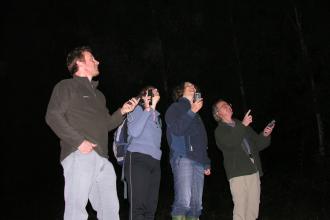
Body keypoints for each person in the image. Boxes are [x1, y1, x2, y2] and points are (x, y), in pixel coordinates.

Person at [45, 46, 139, 220]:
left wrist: (122, 111)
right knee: (76, 211)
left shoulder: (99, 96)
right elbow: (53, 116)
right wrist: (80, 142)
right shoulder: (67, 86)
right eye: (92, 59)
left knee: (110, 212)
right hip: (79, 155)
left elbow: (107, 124)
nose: (97, 61)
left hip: (103, 159)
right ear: (80, 63)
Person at [212, 99, 275, 220]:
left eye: (228, 104)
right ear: (218, 114)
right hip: (237, 173)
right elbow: (231, 143)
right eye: (223, 106)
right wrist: (243, 125)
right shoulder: (220, 130)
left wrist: (265, 134)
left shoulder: (241, 125)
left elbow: (257, 144)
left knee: (253, 210)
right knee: (240, 210)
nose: (228, 106)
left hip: (253, 169)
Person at [165, 82, 211, 220]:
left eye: (194, 86)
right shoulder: (175, 107)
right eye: (188, 86)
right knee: (183, 203)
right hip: (183, 157)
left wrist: (206, 162)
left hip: (198, 161)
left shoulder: (197, 115)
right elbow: (177, 129)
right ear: (180, 91)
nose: (193, 87)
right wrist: (192, 111)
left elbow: (202, 140)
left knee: (197, 207)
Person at [124, 86, 162, 220]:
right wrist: (147, 109)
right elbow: (134, 132)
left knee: (150, 210)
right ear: (144, 95)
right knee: (138, 209)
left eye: (158, 90)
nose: (157, 92)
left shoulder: (157, 117)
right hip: (137, 159)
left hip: (155, 163)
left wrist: (152, 110)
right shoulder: (136, 109)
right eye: (153, 90)